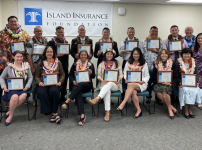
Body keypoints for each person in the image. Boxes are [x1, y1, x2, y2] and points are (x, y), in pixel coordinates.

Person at [62, 50, 95, 126]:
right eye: (82, 54)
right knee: (78, 92)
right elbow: (70, 75)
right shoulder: (75, 64)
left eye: (85, 55)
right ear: (79, 56)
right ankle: (82, 115)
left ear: (87, 56)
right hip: (76, 84)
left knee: (80, 85)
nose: (83, 56)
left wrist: (91, 73)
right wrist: (73, 80)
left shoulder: (90, 65)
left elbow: (93, 76)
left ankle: (67, 101)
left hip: (87, 85)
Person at [0, 50, 33, 126]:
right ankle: (11, 115)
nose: (19, 58)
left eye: (21, 56)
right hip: (11, 89)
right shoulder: (9, 67)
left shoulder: (26, 66)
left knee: (24, 96)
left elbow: (31, 77)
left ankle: (9, 112)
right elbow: (1, 77)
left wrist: (27, 86)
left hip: (22, 89)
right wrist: (4, 87)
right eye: (17, 56)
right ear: (13, 57)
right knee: (14, 97)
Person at [89, 48, 123, 121]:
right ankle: (107, 112)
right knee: (107, 91)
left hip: (115, 85)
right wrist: (102, 79)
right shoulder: (101, 65)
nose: (109, 55)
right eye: (108, 54)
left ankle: (97, 98)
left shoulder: (117, 64)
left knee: (110, 83)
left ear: (113, 55)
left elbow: (121, 75)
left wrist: (118, 79)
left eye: (111, 54)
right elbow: (98, 76)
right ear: (105, 55)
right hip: (104, 84)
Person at [35, 46, 65, 124]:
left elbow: (62, 74)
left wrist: (60, 82)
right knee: (41, 92)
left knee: (54, 91)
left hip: (55, 83)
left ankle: (53, 112)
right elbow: (37, 76)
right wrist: (39, 82)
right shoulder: (40, 64)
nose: (49, 53)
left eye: (51, 52)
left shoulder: (58, 62)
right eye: (47, 52)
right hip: (43, 84)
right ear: (45, 53)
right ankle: (54, 113)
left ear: (53, 53)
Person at [117, 47, 150, 118]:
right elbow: (125, 73)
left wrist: (143, 81)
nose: (136, 56)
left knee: (132, 86)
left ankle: (123, 103)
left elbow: (147, 76)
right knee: (133, 92)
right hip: (131, 82)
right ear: (132, 55)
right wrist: (126, 78)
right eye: (134, 54)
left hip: (141, 83)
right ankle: (139, 110)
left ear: (140, 55)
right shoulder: (128, 63)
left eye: (137, 54)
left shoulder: (144, 64)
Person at [142, 26, 166, 104]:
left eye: (156, 31)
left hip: (158, 66)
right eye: (153, 31)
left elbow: (164, 53)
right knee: (148, 81)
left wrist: (155, 51)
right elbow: (141, 54)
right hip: (147, 66)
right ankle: (148, 97)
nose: (154, 33)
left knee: (157, 81)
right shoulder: (144, 42)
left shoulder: (161, 42)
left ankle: (158, 98)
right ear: (149, 32)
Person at [70, 25, 93, 104]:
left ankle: (82, 98)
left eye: (83, 30)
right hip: (78, 62)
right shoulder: (74, 40)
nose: (82, 31)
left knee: (85, 78)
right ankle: (77, 98)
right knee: (77, 79)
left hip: (86, 62)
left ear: (85, 31)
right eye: (80, 30)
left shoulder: (89, 40)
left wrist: (90, 55)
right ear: (78, 31)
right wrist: (75, 55)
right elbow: (71, 51)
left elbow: (91, 51)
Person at [176, 48, 202, 119]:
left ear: (191, 54)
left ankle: (190, 109)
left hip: (192, 83)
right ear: (182, 55)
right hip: (182, 84)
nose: (187, 55)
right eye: (185, 54)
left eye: (188, 54)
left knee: (196, 91)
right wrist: (180, 82)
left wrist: (196, 82)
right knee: (186, 91)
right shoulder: (178, 62)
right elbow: (175, 76)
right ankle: (186, 110)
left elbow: (196, 74)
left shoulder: (194, 62)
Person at [152, 49, 178, 119]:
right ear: (160, 55)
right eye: (162, 53)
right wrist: (160, 81)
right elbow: (153, 76)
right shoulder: (156, 63)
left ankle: (170, 110)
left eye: (166, 53)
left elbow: (176, 77)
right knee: (158, 93)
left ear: (168, 55)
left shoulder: (173, 63)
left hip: (169, 84)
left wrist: (171, 84)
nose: (164, 55)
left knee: (164, 91)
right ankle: (171, 108)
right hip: (158, 83)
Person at [27, 26, 48, 105]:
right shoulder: (30, 42)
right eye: (37, 31)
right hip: (35, 64)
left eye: (40, 31)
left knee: (43, 80)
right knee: (35, 81)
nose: (39, 32)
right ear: (34, 32)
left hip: (44, 64)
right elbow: (28, 55)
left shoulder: (45, 40)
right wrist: (32, 67)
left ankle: (41, 97)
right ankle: (34, 99)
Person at [47, 26, 69, 102]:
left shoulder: (66, 42)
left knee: (64, 80)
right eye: (59, 32)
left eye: (62, 32)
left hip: (65, 65)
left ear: (64, 33)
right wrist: (56, 55)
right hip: (54, 66)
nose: (60, 33)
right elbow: (48, 53)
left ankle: (63, 96)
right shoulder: (51, 42)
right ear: (56, 33)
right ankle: (55, 97)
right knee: (56, 81)